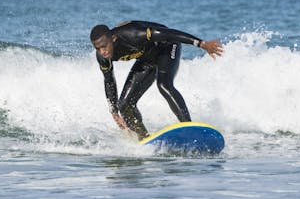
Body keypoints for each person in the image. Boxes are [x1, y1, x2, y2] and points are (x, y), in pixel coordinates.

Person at [90, 21, 223, 139]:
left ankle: (190, 128)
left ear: (113, 39)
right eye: (98, 48)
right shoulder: (102, 57)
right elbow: (109, 81)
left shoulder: (133, 34)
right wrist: (114, 111)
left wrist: (201, 43)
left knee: (163, 85)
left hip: (167, 46)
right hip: (147, 59)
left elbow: (168, 33)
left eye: (104, 46)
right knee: (124, 105)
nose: (103, 52)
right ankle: (144, 139)